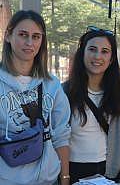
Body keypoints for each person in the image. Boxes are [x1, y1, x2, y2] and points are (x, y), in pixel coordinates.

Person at [0, 10, 71, 185]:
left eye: (36, 36)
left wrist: (65, 177)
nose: (29, 42)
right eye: (23, 35)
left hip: (48, 179)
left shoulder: (51, 84)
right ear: (8, 36)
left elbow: (61, 135)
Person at [63, 27, 120, 184]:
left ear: (112, 59)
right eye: (92, 49)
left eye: (105, 51)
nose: (97, 56)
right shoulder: (64, 92)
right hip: (73, 169)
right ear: (83, 53)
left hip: (108, 171)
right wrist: (63, 176)